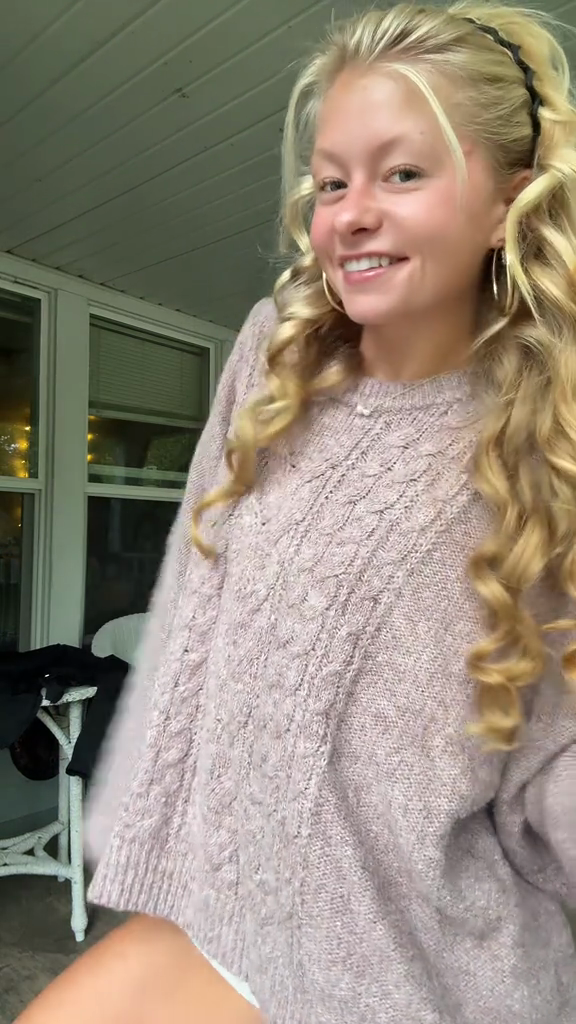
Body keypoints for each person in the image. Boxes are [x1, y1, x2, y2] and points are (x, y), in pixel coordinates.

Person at [17, 3, 576, 1022]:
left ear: (507, 202)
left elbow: (554, 761)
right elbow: (198, 606)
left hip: (414, 972)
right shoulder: (276, 353)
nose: (350, 214)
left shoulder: (549, 435)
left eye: (402, 173)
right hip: (230, 913)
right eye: (331, 182)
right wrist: (162, 862)